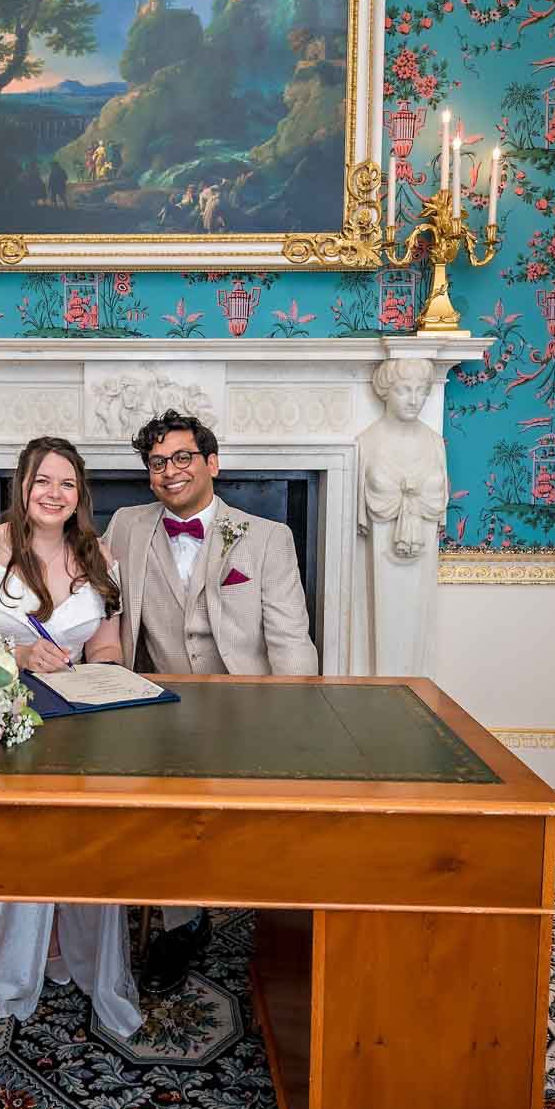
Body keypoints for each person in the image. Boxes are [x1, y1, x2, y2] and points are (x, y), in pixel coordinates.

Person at [105, 409, 317, 995]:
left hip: (246, 707)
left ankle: (279, 914)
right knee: (159, 803)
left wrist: (297, 722)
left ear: (211, 464)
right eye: (156, 463)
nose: (168, 471)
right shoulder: (124, 524)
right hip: (157, 706)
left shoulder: (267, 537)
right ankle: (182, 921)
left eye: (181, 458)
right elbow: (76, 579)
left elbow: (290, 639)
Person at [0, 436, 141, 1037]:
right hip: (9, 719)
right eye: (42, 481)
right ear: (22, 487)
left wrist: (108, 675)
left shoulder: (101, 558)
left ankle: (77, 949)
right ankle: (12, 965)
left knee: (86, 837)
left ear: (80, 493)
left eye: (67, 483)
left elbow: (107, 643)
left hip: (85, 717)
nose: (54, 494)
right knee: (23, 836)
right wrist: (21, 653)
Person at [352, 357, 449, 678]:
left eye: (421, 391)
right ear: (385, 391)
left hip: (420, 553)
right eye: (405, 390)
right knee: (384, 615)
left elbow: (439, 499)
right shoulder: (366, 442)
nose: (414, 399)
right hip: (378, 553)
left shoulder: (434, 443)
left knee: (415, 619)